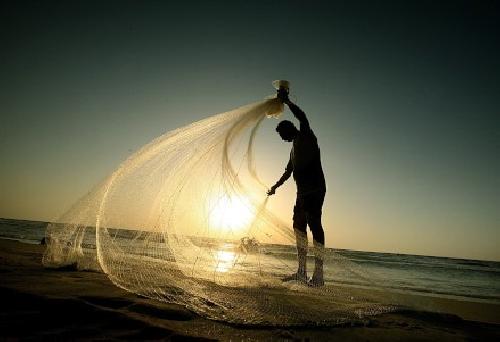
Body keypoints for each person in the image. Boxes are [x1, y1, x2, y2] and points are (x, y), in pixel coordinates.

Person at [267, 87, 326, 286]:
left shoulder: (306, 136)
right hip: (301, 193)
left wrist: (287, 101)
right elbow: (288, 171)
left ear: (289, 129)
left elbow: (303, 117)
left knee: (314, 225)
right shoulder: (293, 149)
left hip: (315, 189)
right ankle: (301, 272)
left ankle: (318, 275)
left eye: (282, 134)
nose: (282, 138)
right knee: (298, 228)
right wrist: (275, 186)